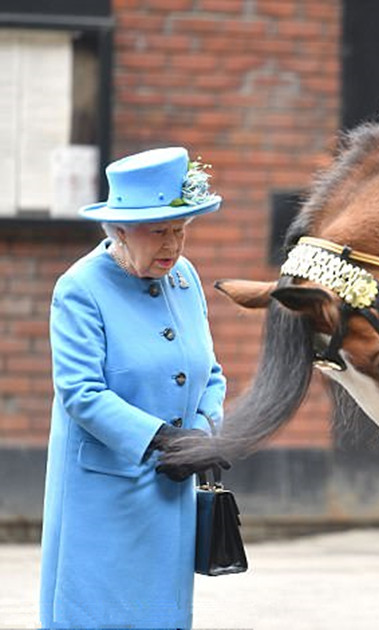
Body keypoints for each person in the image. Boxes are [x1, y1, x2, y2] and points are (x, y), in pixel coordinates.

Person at [40, 146, 230, 629]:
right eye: (159, 231)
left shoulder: (183, 279)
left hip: (170, 489)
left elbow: (209, 373)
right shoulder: (80, 289)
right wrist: (164, 440)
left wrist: (205, 434)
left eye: (181, 231)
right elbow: (81, 393)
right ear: (119, 229)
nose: (173, 245)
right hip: (104, 495)